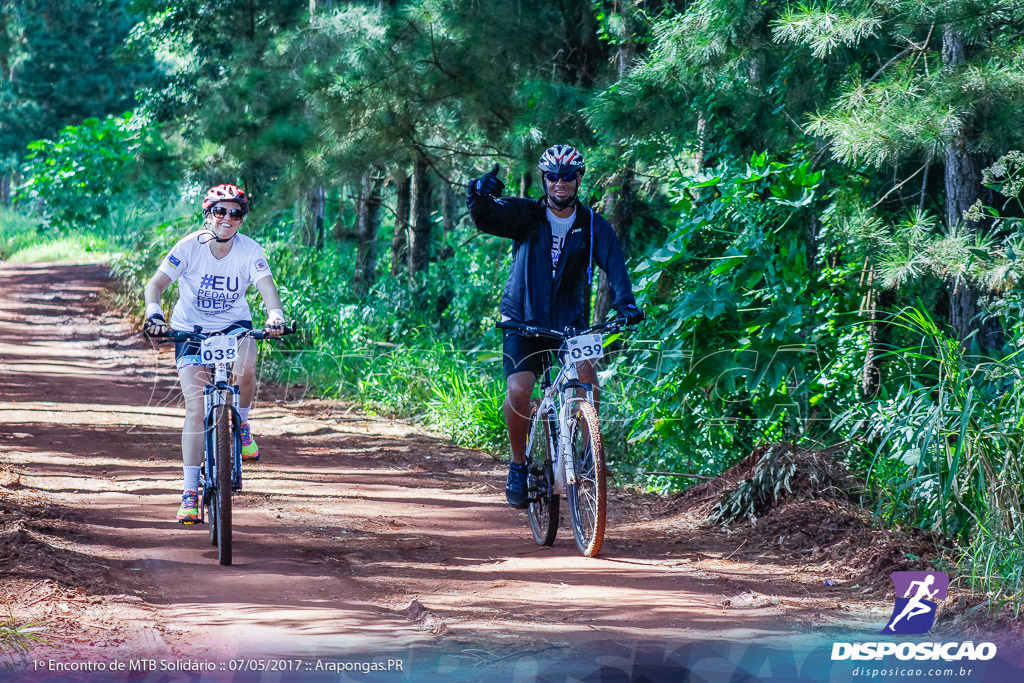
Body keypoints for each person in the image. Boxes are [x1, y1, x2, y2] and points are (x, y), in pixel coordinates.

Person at [466, 144, 644, 509]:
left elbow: (616, 267)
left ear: (579, 179)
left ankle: (584, 452)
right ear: (545, 179)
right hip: (521, 320)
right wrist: (477, 193)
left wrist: (626, 304)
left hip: (570, 323)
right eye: (552, 176)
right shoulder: (526, 214)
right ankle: (518, 465)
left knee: (587, 380)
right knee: (519, 391)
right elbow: (486, 218)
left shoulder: (594, 225)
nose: (560, 183)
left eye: (567, 176)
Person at [143, 184, 286, 523]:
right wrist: (155, 315)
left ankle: (244, 424)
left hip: (234, 326)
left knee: (247, 369)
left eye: (236, 213)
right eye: (221, 211)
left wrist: (275, 316)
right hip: (190, 330)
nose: (228, 218)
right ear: (208, 214)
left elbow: (268, 290)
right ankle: (190, 491)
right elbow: (155, 285)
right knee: (195, 409)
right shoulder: (188, 247)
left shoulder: (250, 250)